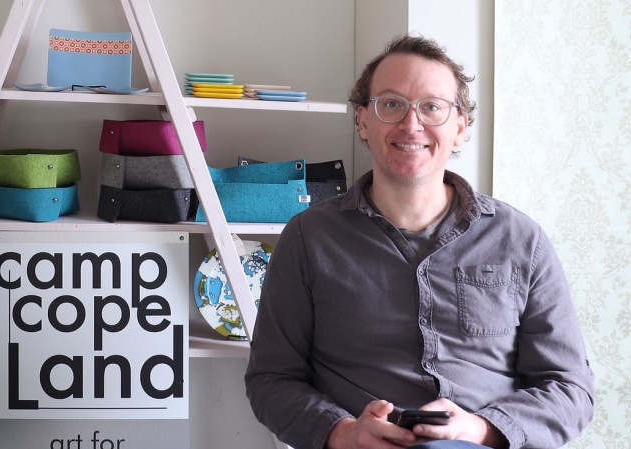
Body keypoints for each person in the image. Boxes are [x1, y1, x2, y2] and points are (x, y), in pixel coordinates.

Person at [245, 34, 593, 449]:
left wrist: (481, 428)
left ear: (460, 127)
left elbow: (570, 388)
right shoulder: (308, 239)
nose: (411, 124)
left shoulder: (521, 240)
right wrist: (343, 433)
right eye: (391, 104)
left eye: (432, 107)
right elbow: (271, 379)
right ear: (363, 121)